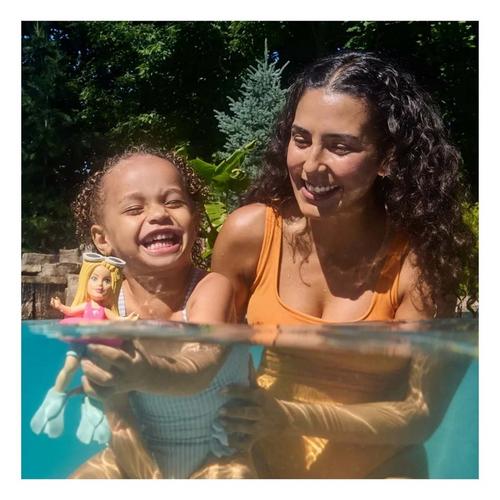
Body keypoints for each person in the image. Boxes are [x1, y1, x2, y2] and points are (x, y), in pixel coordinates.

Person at [211, 50, 476, 478]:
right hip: (262, 471)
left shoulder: (418, 263)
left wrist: (287, 416)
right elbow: (208, 360)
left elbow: (419, 415)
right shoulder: (250, 235)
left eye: (340, 146)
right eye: (301, 139)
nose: (311, 164)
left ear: (388, 159)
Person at [66, 146, 253, 479]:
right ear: (103, 239)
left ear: (195, 218)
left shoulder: (212, 288)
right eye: (134, 208)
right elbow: (119, 417)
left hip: (221, 454)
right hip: (139, 452)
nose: (158, 214)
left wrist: (142, 373)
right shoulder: (107, 308)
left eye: (173, 202)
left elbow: (200, 369)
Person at [30, 253, 137, 445]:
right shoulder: (86, 305)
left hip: (98, 345)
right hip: (80, 342)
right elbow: (70, 311)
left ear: (113, 285)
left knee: (96, 376)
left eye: (106, 281)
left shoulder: (105, 310)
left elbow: (118, 319)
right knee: (69, 367)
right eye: (94, 278)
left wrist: (128, 320)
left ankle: (92, 404)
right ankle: (56, 395)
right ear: (86, 280)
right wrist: (59, 305)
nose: (100, 285)